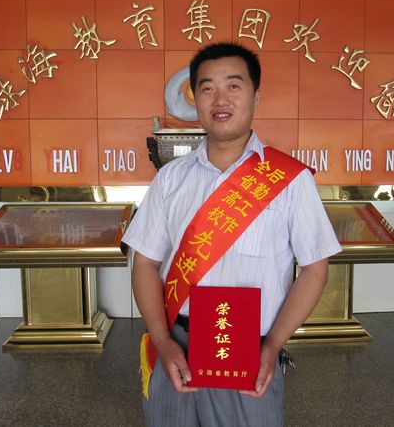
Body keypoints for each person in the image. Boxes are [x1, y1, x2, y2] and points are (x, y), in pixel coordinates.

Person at [122, 42, 341, 426]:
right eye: (207, 88)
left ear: (256, 96)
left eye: (234, 86)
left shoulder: (290, 180)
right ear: (195, 99)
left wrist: (273, 346)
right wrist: (162, 340)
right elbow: (144, 263)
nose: (220, 99)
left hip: (250, 352)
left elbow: (314, 269)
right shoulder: (171, 178)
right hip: (176, 345)